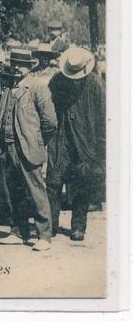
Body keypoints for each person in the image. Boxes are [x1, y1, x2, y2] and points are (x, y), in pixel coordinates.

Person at [0, 49, 57, 252]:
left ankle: (44, 236)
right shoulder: (8, 87)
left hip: (28, 148)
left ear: (30, 67)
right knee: (14, 191)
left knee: (36, 190)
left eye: (21, 64)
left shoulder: (37, 87)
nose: (16, 68)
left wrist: (38, 141)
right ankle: (17, 232)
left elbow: (50, 122)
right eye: (14, 63)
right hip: (8, 147)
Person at [46, 47, 105, 241]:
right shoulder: (56, 81)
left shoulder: (95, 84)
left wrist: (101, 147)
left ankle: (78, 226)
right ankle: (50, 225)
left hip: (86, 140)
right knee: (54, 180)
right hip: (61, 137)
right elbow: (47, 108)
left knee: (83, 181)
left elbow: (103, 117)